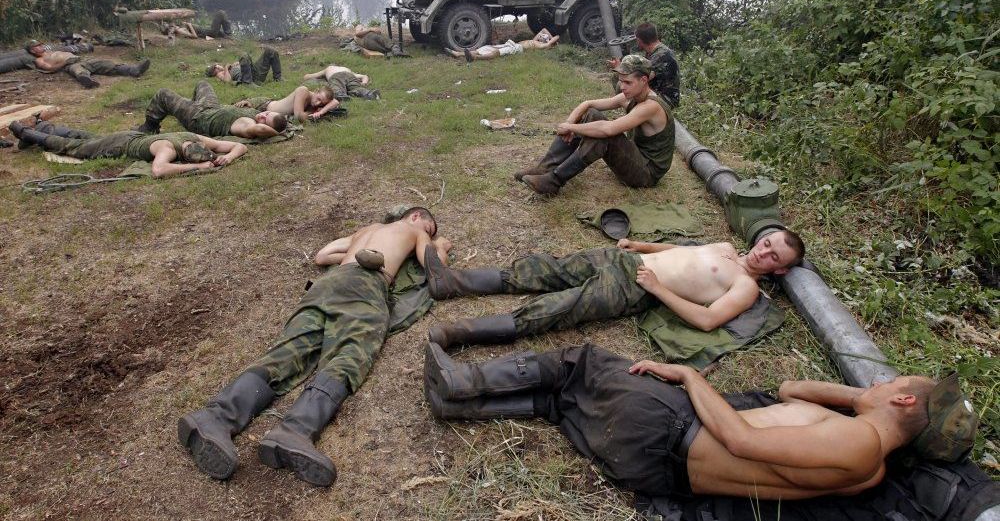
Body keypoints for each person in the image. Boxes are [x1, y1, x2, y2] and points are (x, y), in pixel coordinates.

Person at [424, 342, 978, 501]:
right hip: (652, 469)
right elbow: (789, 390)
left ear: (904, 405)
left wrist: (691, 377)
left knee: (580, 363)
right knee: (556, 403)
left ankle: (462, 383)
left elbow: (739, 437)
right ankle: (456, 406)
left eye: (894, 383)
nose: (882, 383)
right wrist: (869, 395)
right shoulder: (864, 452)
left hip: (668, 431)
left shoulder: (859, 444)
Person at [177, 207, 451, 487]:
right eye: (430, 228)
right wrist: (439, 245)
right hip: (365, 287)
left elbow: (322, 256)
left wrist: (352, 258)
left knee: (287, 352)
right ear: (416, 217)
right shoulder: (414, 230)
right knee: (350, 353)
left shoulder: (365, 230)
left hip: (326, 285)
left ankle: (216, 417)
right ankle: (295, 430)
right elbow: (435, 268)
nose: (428, 235)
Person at [425, 230, 805, 349]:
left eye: (774, 256)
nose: (764, 251)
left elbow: (707, 321)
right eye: (768, 242)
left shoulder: (746, 288)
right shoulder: (725, 249)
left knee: (558, 307)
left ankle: (459, 333)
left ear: (782, 269)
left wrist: (658, 290)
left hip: (635, 287)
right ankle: (451, 282)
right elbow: (680, 251)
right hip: (625, 261)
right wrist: (641, 246)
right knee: (546, 269)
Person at [515, 54, 674, 196]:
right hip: (636, 157)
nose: (622, 86)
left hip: (647, 174)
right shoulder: (631, 96)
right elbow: (588, 104)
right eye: (620, 81)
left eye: (627, 82)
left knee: (603, 136)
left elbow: (608, 129)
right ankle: (545, 168)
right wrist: (569, 123)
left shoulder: (651, 106)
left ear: (644, 80)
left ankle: (554, 181)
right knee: (591, 113)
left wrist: (571, 128)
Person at [8, 120, 246, 178]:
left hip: (132, 135)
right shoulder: (168, 149)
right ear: (183, 154)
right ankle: (24, 132)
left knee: (89, 138)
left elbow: (239, 145)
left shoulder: (196, 138)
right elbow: (159, 170)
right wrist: (198, 166)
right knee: (74, 147)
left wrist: (229, 157)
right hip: (121, 144)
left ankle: (46, 126)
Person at [136, 81, 287, 139]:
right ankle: (186, 105)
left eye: (264, 120)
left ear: (266, 127)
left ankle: (150, 127)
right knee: (203, 84)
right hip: (211, 107)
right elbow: (264, 105)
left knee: (163, 94)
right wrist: (248, 103)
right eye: (266, 114)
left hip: (198, 118)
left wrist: (277, 133)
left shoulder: (248, 126)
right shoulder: (257, 115)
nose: (262, 115)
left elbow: (260, 129)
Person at [22, 39, 150, 89]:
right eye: (37, 46)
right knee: (78, 70)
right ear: (32, 50)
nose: (41, 46)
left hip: (79, 59)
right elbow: (49, 68)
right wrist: (63, 63)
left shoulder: (52, 50)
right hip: (68, 65)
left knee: (105, 63)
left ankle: (134, 70)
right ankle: (87, 81)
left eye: (40, 44)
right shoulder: (39, 60)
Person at [609, 22, 680, 106]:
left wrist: (619, 68)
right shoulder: (655, 52)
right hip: (657, 91)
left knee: (623, 84)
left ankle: (635, 112)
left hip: (666, 98)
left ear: (639, 40)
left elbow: (639, 79)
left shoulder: (660, 55)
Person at [235, 85, 343, 123]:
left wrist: (322, 110)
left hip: (267, 112)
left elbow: (336, 101)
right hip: (263, 105)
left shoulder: (316, 104)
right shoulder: (303, 91)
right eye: (318, 99)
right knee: (233, 111)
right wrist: (315, 113)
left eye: (322, 103)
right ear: (316, 91)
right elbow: (299, 117)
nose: (317, 103)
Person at [445, 28, 560, 61]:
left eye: (542, 38)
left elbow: (556, 37)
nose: (540, 36)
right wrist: (547, 36)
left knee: (496, 53)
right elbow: (544, 30)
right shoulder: (535, 40)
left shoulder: (542, 46)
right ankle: (458, 54)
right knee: (486, 48)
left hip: (517, 49)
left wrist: (551, 41)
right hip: (511, 44)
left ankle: (474, 58)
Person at [206, 45, 282, 84]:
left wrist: (238, 64)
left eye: (217, 65)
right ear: (215, 70)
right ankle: (248, 84)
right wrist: (226, 68)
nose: (218, 66)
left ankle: (278, 78)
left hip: (255, 73)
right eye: (216, 66)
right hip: (248, 79)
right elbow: (227, 81)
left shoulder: (230, 67)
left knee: (270, 51)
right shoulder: (219, 74)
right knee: (244, 55)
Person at [302, 64, 380, 101]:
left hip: (336, 76)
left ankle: (340, 95)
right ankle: (369, 93)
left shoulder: (329, 68)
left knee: (336, 86)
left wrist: (308, 76)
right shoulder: (347, 69)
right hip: (350, 76)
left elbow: (309, 76)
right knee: (356, 87)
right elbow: (364, 76)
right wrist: (364, 83)